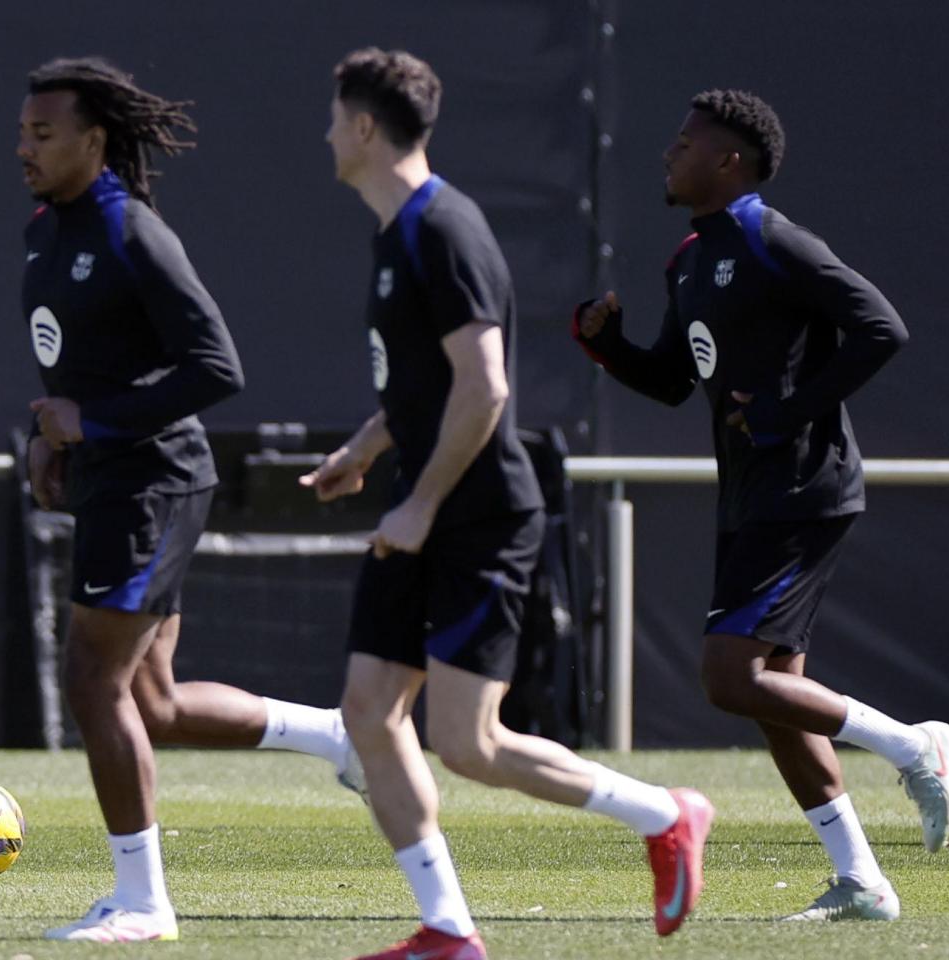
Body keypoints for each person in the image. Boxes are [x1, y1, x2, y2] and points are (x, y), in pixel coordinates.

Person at [306, 49, 714, 960]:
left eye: (335, 119)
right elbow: (427, 385)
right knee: (369, 712)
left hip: (478, 517)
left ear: (365, 128)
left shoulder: (444, 229)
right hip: (421, 506)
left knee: (468, 743)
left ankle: (665, 814)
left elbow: (485, 388)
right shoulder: (394, 235)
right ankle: (448, 930)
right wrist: (364, 450)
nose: (326, 135)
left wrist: (421, 506)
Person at [571, 88, 949, 922]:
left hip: (804, 488)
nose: (670, 153)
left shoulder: (770, 238)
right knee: (772, 693)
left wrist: (786, 412)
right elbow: (672, 380)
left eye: (686, 142)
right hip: (753, 495)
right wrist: (606, 347)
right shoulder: (690, 260)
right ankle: (862, 882)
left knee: (729, 677)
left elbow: (882, 328)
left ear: (729, 160)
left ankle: (911, 744)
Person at [18, 56, 365, 943]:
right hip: (112, 477)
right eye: (23, 131)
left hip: (153, 483)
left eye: (43, 133)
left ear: (94, 141)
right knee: (153, 701)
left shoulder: (132, 230)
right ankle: (337, 737)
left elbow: (217, 367)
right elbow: (75, 361)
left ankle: (143, 904)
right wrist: (49, 439)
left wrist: (92, 424)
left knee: (91, 679)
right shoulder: (45, 230)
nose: (25, 147)